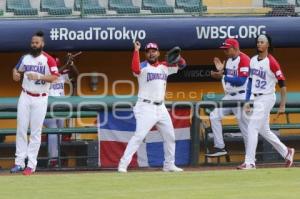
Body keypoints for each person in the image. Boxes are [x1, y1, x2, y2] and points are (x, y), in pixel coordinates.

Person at [118, 41, 186, 173]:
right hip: (145, 106)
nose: (151, 53)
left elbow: (183, 66)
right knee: (139, 136)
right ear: (146, 54)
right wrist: (136, 50)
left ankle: (169, 164)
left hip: (161, 107)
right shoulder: (142, 66)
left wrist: (179, 58)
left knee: (170, 136)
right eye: (148, 51)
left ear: (158, 53)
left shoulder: (164, 66)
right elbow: (135, 69)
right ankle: (123, 164)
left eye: (154, 50)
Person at [237, 34, 295, 169]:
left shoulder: (271, 61)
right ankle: (287, 152)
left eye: (262, 42)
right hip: (256, 97)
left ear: (268, 45)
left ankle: (250, 162)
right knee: (264, 130)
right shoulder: (252, 60)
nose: (259, 44)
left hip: (267, 97)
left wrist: (282, 105)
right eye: (258, 42)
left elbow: (283, 84)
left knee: (252, 127)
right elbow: (250, 82)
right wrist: (247, 101)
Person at [11, 31, 59, 175]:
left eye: (36, 43)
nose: (34, 45)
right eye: (32, 42)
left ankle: (31, 165)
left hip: (40, 97)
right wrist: (15, 74)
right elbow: (16, 70)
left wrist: (39, 76)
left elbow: (55, 77)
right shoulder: (25, 58)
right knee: (21, 129)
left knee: (36, 132)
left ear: (42, 44)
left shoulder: (48, 59)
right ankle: (19, 162)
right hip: (25, 95)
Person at [207, 38, 250, 157]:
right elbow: (227, 76)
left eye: (227, 49)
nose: (225, 51)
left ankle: (250, 156)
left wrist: (224, 75)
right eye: (224, 49)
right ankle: (220, 147)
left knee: (244, 127)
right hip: (230, 96)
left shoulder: (244, 59)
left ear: (235, 48)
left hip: (242, 96)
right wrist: (220, 72)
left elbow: (241, 80)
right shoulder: (229, 60)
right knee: (214, 115)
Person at [43, 55, 78, 168]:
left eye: (56, 66)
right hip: (47, 108)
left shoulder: (61, 74)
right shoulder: (45, 75)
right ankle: (53, 160)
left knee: (59, 133)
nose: (55, 68)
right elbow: (55, 73)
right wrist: (65, 65)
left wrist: (71, 65)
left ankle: (55, 159)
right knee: (53, 130)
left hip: (60, 108)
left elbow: (76, 75)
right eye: (53, 66)